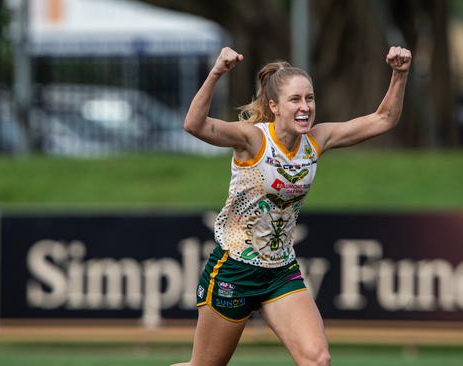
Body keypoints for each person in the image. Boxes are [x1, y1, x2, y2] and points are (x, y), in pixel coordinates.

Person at [173, 45, 412, 366]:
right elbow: (194, 125)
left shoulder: (317, 140)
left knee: (317, 359)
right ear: (274, 106)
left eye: (309, 98)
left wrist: (400, 74)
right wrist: (216, 73)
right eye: (295, 100)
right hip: (234, 270)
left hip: (280, 272)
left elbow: (383, 119)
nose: (305, 107)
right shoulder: (252, 140)